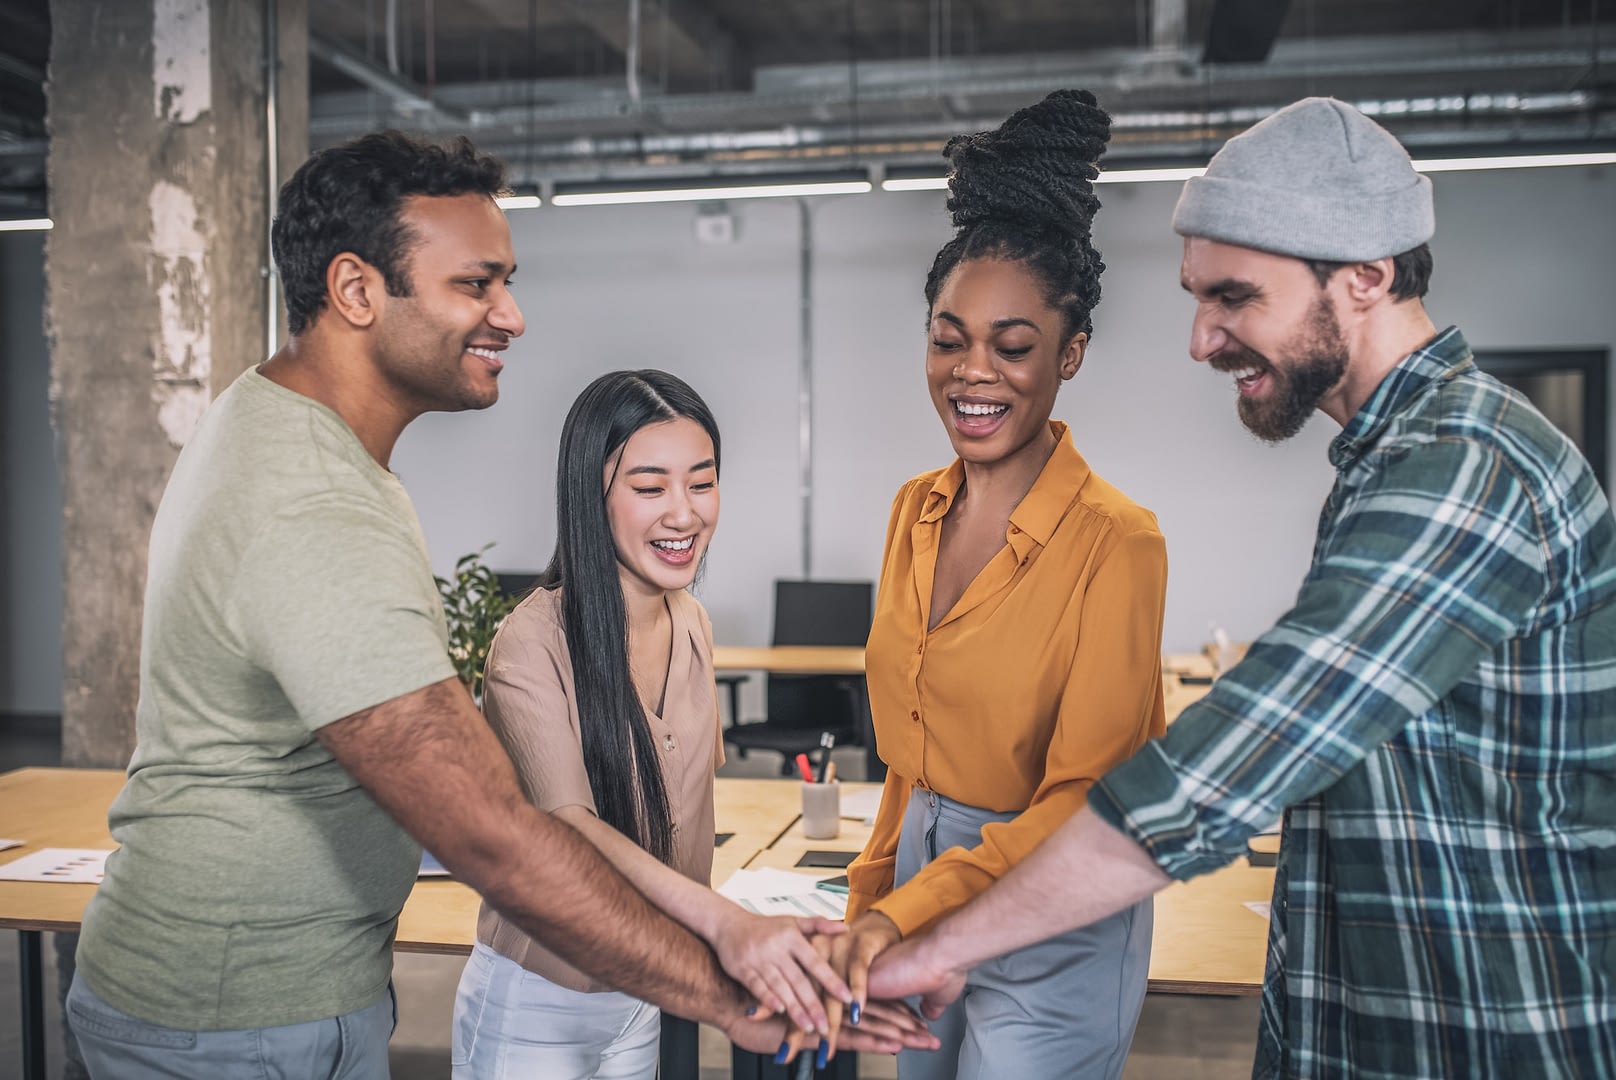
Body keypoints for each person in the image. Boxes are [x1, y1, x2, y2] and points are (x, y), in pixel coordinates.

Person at [64, 131, 931, 1078]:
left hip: (291, 996)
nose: (511, 315)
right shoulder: (312, 501)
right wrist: (727, 991)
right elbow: (495, 832)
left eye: (505, 281)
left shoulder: (302, 444)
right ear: (356, 291)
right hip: (231, 1016)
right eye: (475, 285)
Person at [866, 97, 1616, 1079]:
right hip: (1374, 1018)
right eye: (1197, 298)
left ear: (1365, 275)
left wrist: (930, 940)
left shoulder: (1468, 467)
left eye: (1233, 297)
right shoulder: (1387, 464)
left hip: (1487, 1032)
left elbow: (1219, 775)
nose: (1202, 339)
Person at [817, 89, 1170, 1078]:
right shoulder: (912, 512)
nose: (974, 372)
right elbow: (910, 763)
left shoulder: (1119, 543)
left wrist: (900, 913)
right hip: (921, 881)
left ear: (1070, 354)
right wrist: (866, 910)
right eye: (947, 338)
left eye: (1013, 346)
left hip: (1057, 904)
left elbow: (1082, 799)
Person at [452, 369, 874, 1077]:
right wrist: (724, 925)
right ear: (593, 495)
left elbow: (686, 808)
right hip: (538, 1003)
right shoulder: (531, 642)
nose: (684, 513)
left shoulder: (694, 625)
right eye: (650, 488)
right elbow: (571, 831)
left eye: (701, 482)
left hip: (644, 993)